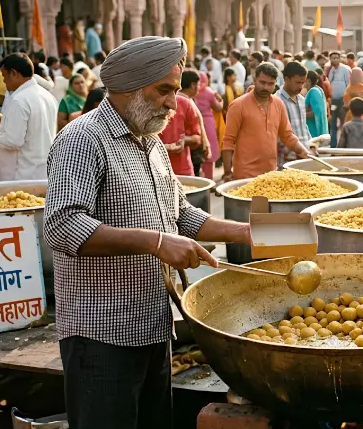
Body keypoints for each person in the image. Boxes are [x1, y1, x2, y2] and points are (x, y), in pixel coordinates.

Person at [44, 36, 253, 429]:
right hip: (102, 334)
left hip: (154, 325)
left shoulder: (151, 141)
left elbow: (182, 215)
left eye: (174, 91)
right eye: (164, 91)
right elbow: (61, 225)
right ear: (129, 86)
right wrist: (156, 242)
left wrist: (245, 232)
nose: (173, 104)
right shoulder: (82, 139)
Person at [0, 54, 57, 182]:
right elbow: (33, 126)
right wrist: (2, 119)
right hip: (42, 171)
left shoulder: (19, 100)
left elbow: (13, 140)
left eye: (5, 76)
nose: (4, 81)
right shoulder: (47, 96)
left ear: (14, 73)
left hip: (22, 174)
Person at [222, 63, 310, 182]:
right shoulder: (238, 105)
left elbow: (287, 135)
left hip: (270, 175)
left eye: (270, 84)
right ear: (254, 79)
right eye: (262, 82)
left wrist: (304, 152)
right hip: (245, 175)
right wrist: (228, 172)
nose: (265, 87)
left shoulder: (278, 104)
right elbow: (228, 141)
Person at [159, 71, 202, 176]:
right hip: (156, 171)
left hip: (182, 170)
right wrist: (162, 148)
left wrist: (184, 140)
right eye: (164, 89)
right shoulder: (145, 105)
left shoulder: (185, 104)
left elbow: (197, 138)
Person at [276, 62, 311, 167]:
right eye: (297, 82)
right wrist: (297, 150)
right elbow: (277, 134)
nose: (301, 86)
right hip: (286, 160)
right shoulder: (276, 100)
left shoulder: (301, 99)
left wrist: (310, 146)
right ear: (286, 79)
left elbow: (303, 126)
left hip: (304, 158)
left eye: (303, 83)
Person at [193, 71, 222, 180]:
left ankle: (198, 178)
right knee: (209, 151)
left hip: (194, 122)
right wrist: (221, 100)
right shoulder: (210, 93)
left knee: (197, 151)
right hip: (208, 123)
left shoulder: (191, 92)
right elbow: (218, 108)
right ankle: (209, 179)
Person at [327, 52, 351, 146]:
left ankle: (344, 145)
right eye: (333, 58)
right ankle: (333, 146)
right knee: (333, 123)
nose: (335, 60)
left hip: (342, 101)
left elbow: (348, 84)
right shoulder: (330, 70)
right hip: (333, 101)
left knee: (343, 123)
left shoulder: (345, 69)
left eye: (337, 58)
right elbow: (329, 83)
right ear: (330, 59)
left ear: (340, 59)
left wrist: (347, 101)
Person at [304, 70, 328, 138]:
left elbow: (316, 113)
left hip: (313, 129)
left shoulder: (314, 92)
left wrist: (300, 115)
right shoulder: (317, 90)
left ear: (308, 81)